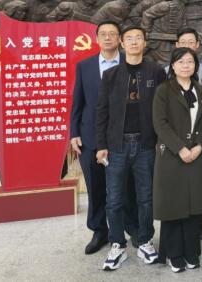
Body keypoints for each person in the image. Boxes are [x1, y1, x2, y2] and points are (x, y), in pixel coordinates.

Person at [95, 27, 166, 271]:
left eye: (138, 38)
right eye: (129, 38)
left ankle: (145, 241)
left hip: (146, 144)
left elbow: (163, 109)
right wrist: (101, 145)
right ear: (122, 44)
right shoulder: (111, 75)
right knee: (114, 199)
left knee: (146, 198)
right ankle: (117, 244)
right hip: (117, 146)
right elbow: (102, 112)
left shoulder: (156, 72)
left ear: (145, 43)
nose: (134, 42)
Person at [69, 22, 139, 256]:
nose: (108, 38)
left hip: (124, 137)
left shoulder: (131, 63)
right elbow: (77, 102)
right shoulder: (84, 66)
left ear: (120, 39)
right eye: (103, 34)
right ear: (96, 39)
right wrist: (74, 133)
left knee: (127, 186)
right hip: (90, 137)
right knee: (96, 187)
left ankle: (133, 227)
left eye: (112, 34)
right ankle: (99, 231)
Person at [153, 47, 202, 272]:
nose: (186, 66)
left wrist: (199, 146)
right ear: (173, 66)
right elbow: (160, 124)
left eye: (190, 62)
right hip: (171, 155)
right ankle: (173, 254)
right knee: (173, 206)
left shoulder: (200, 90)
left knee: (194, 207)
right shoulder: (163, 90)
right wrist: (180, 148)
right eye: (181, 62)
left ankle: (191, 251)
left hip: (196, 155)